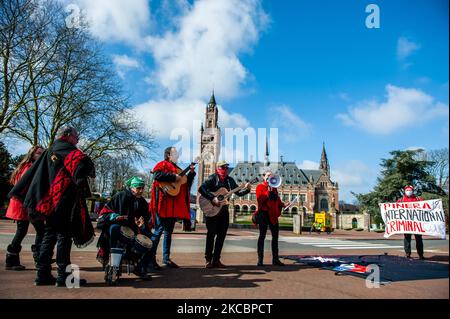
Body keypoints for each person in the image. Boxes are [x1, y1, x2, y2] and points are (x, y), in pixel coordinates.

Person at [9, 126, 95, 286]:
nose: (78, 140)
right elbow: (83, 161)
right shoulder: (65, 148)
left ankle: (42, 274)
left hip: (47, 202)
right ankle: (64, 276)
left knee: (49, 236)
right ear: (68, 136)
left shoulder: (51, 150)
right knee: (64, 236)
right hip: (60, 201)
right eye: (77, 136)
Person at [96, 177, 153, 284]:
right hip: (115, 227)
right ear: (132, 188)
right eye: (138, 188)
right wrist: (114, 216)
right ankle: (114, 268)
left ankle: (139, 266)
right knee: (114, 229)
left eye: (142, 188)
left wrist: (141, 224)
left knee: (149, 238)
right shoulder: (120, 196)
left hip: (133, 229)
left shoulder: (143, 202)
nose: (141, 191)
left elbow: (146, 218)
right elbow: (104, 213)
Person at [149, 147, 196, 269]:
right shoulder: (162, 164)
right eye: (174, 153)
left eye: (177, 153)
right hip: (162, 204)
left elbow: (185, 184)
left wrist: (191, 173)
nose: (177, 155)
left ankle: (166, 259)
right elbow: (157, 175)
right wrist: (174, 177)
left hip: (173, 206)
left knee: (169, 233)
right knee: (158, 231)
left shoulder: (179, 169)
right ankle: (150, 259)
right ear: (168, 155)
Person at [198, 160, 251, 268]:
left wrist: (247, 190)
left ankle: (216, 260)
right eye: (223, 167)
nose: (225, 169)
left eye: (226, 167)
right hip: (212, 210)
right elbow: (201, 189)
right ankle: (208, 260)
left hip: (223, 211)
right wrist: (213, 198)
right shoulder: (212, 178)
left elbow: (238, 193)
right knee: (211, 235)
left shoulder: (230, 180)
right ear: (217, 168)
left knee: (221, 236)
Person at [5, 145, 45, 270]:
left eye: (42, 154)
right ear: (32, 154)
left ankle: (12, 258)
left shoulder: (25, 167)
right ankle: (38, 256)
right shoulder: (29, 168)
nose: (40, 156)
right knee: (35, 230)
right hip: (23, 205)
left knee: (24, 231)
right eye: (38, 153)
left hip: (21, 204)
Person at [253, 170, 287, 266]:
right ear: (264, 177)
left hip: (273, 214)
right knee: (262, 236)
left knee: (275, 237)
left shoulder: (274, 188)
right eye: (268, 176)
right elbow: (260, 199)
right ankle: (260, 260)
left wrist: (283, 205)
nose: (269, 177)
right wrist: (268, 191)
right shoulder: (260, 187)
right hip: (264, 213)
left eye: (271, 176)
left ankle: (275, 259)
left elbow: (277, 200)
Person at [397, 185, 425, 260]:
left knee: (419, 239)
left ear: (412, 191)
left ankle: (421, 254)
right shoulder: (401, 200)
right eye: (407, 190)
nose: (408, 191)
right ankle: (407, 253)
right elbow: (395, 209)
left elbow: (425, 207)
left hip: (417, 223)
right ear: (405, 191)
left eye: (410, 190)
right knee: (407, 239)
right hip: (406, 223)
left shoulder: (419, 199)